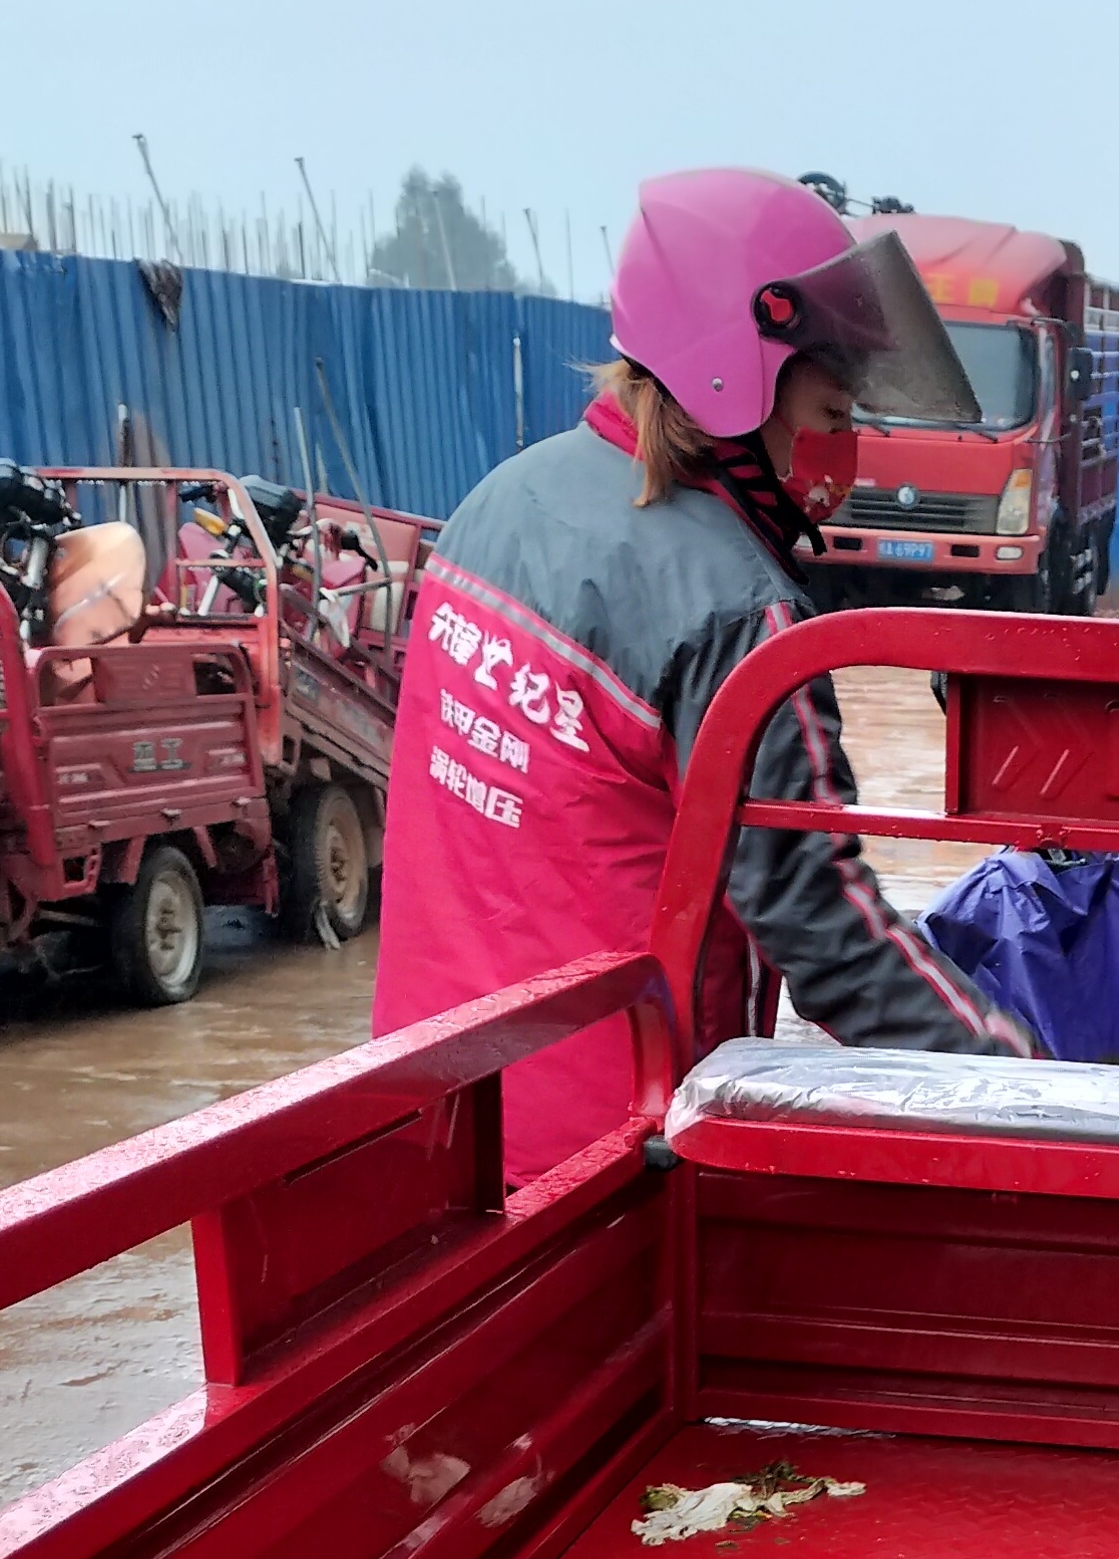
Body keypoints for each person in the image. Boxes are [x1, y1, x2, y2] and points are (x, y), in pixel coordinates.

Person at [371, 167, 1025, 1179]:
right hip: (607, 1160)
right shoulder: (735, 609)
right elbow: (827, 927)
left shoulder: (495, 506)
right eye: (829, 406)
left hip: (432, 1124)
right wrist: (1023, 1083)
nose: (841, 448)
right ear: (734, 375)